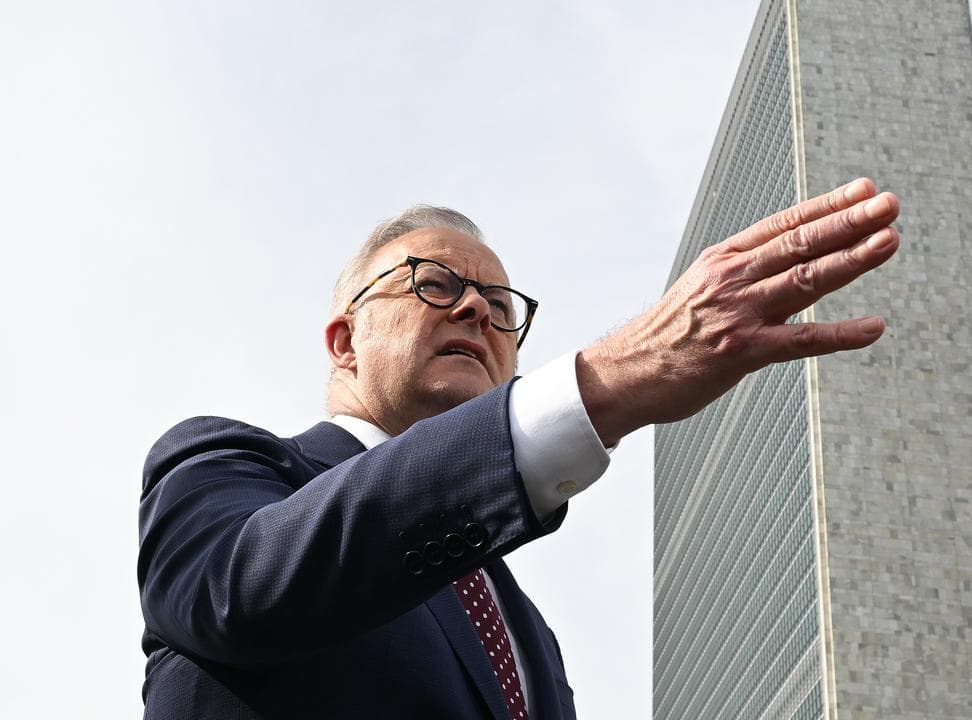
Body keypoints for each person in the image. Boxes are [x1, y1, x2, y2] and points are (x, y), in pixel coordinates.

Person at [136, 179, 901, 719]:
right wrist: (605, 383)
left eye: (501, 308)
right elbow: (237, 591)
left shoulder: (527, 636)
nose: (474, 307)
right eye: (432, 284)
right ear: (344, 341)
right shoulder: (222, 467)